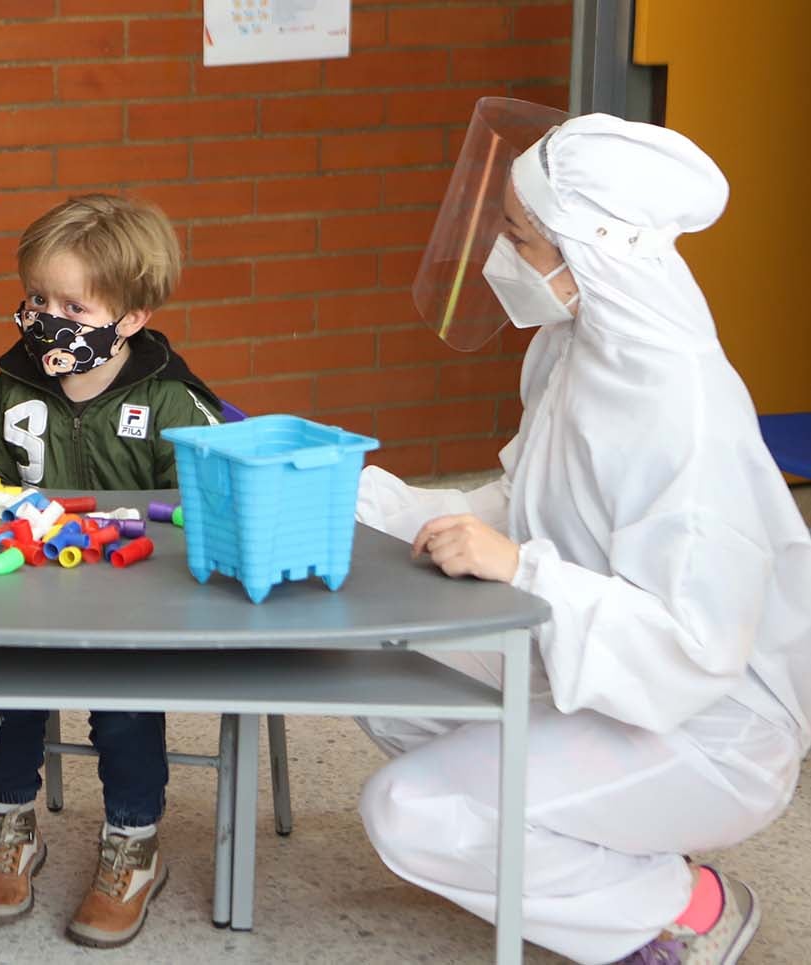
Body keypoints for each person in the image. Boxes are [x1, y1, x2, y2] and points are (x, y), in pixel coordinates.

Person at [355, 106, 811, 964]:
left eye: (519, 235)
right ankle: (586, 839)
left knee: (411, 810)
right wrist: (368, 501)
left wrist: (522, 566)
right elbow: (524, 497)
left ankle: (686, 907)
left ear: (597, 249)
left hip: (709, 726)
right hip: (605, 659)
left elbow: (695, 645)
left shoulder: (681, 411)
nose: (499, 251)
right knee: (381, 667)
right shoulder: (578, 349)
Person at [0, 193, 222, 948]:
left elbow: (212, 497)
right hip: (29, 593)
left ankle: (133, 840)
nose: (46, 316)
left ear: (129, 317)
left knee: (125, 702)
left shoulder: (169, 399)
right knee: (5, 689)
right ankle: (8, 824)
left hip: (135, 603)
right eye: (38, 297)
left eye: (73, 302)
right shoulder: (10, 391)